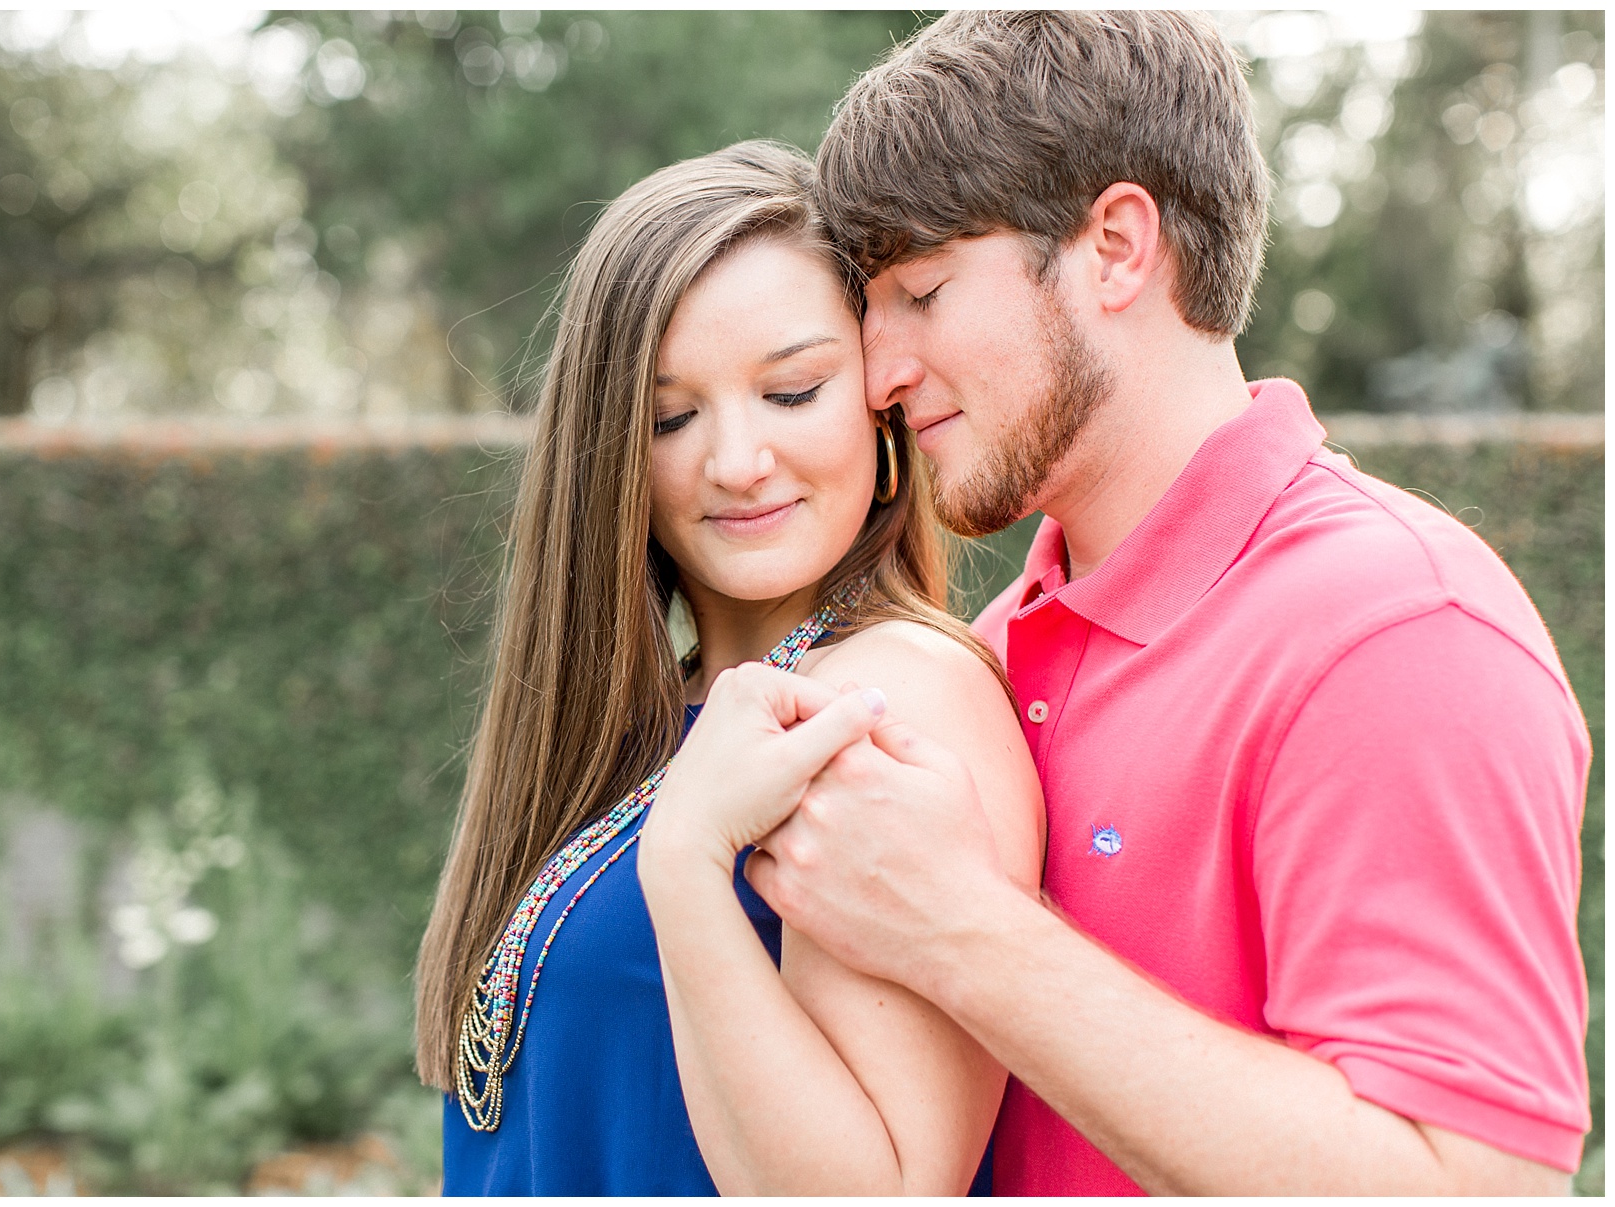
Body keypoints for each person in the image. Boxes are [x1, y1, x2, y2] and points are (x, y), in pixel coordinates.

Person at [690, 10, 1592, 1196]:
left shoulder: (1398, 630)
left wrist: (962, 928)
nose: (877, 372)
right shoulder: (992, 647)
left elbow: (1474, 1184)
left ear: (1117, 246)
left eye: (922, 290)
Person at [412, 140, 1044, 1195]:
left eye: (792, 391)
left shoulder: (883, 699)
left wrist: (686, 865)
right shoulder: (647, 723)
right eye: (671, 416)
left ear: (881, 404)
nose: (737, 461)